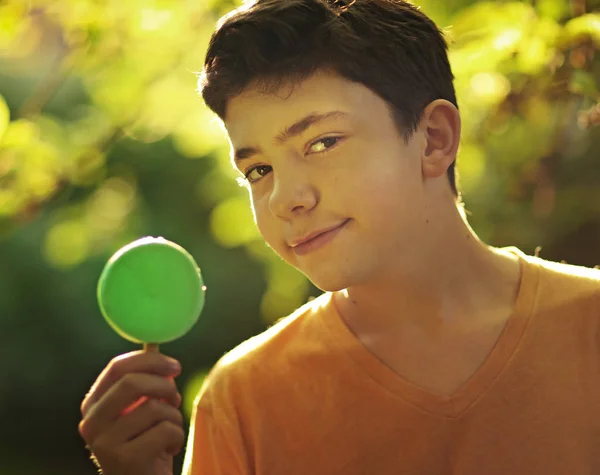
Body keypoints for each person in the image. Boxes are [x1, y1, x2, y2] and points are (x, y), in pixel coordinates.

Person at [78, 0, 600, 474]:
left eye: (322, 142)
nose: (285, 198)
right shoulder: (245, 399)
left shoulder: (589, 325)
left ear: (434, 139)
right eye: (259, 170)